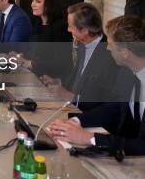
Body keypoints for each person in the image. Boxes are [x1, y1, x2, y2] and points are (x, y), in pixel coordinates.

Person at [49, 15, 145, 156]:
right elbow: (113, 108)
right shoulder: (127, 72)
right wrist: (75, 121)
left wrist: (89, 138)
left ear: (125, 53)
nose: (107, 48)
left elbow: (142, 145)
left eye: (111, 44)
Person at [44, 3, 127, 112]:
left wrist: (71, 97)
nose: (68, 30)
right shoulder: (83, 44)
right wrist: (58, 82)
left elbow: (104, 101)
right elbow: (77, 77)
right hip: (70, 108)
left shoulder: (110, 56)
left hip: (89, 115)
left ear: (85, 31)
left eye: (71, 26)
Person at [20, 0, 73, 80]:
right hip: (36, 73)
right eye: (32, 1)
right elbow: (35, 50)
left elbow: (60, 64)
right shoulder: (38, 22)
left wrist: (31, 63)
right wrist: (21, 56)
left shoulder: (61, 27)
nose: (33, 4)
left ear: (49, 4)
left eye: (38, 1)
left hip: (53, 79)